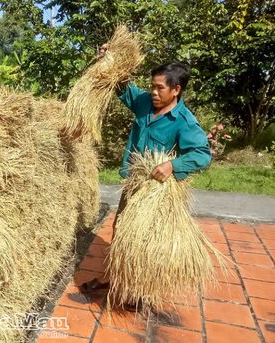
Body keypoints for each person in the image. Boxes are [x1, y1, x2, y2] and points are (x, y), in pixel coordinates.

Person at [79, 59, 212, 305]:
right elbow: (122, 89)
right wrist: (110, 60)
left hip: (157, 194)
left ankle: (139, 291)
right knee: (121, 231)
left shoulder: (184, 121)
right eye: (152, 86)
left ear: (176, 90)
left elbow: (203, 155)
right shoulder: (144, 103)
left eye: (160, 87)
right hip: (134, 184)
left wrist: (173, 165)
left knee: (145, 242)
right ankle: (116, 279)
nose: (153, 91)